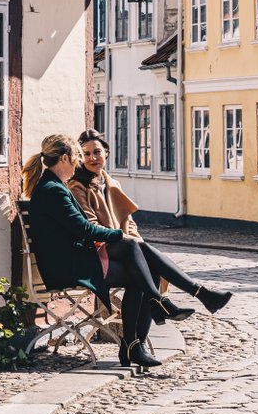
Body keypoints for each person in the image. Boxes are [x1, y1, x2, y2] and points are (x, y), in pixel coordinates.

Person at [22, 134, 168, 369]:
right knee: (138, 268)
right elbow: (84, 229)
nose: (80, 162)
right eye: (78, 157)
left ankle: (135, 343)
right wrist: (119, 235)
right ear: (64, 158)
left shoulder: (53, 186)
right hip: (67, 268)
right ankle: (136, 341)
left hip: (73, 260)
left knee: (142, 269)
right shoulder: (53, 190)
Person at [69, 128, 232, 324]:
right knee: (141, 258)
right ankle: (198, 294)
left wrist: (135, 243)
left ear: (107, 153)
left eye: (97, 152)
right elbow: (91, 227)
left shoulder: (112, 184)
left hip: (121, 249)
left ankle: (138, 345)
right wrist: (132, 243)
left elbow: (129, 225)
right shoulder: (77, 187)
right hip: (99, 252)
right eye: (86, 154)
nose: (92, 158)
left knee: (148, 265)